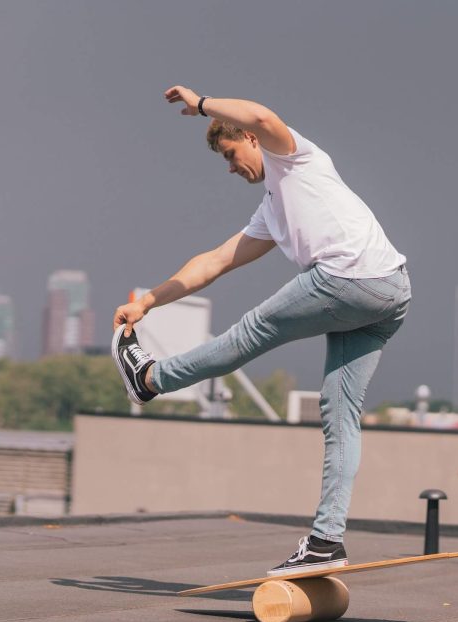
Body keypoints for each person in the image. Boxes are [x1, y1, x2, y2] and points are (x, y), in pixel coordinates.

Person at [112, 85, 411, 576]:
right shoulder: (273, 208)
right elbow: (213, 263)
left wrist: (202, 103)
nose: (231, 168)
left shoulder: (294, 157)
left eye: (230, 155)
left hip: (348, 280)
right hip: (391, 294)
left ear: (249, 139)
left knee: (252, 332)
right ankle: (326, 541)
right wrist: (148, 302)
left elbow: (260, 113)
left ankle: (149, 379)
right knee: (340, 415)